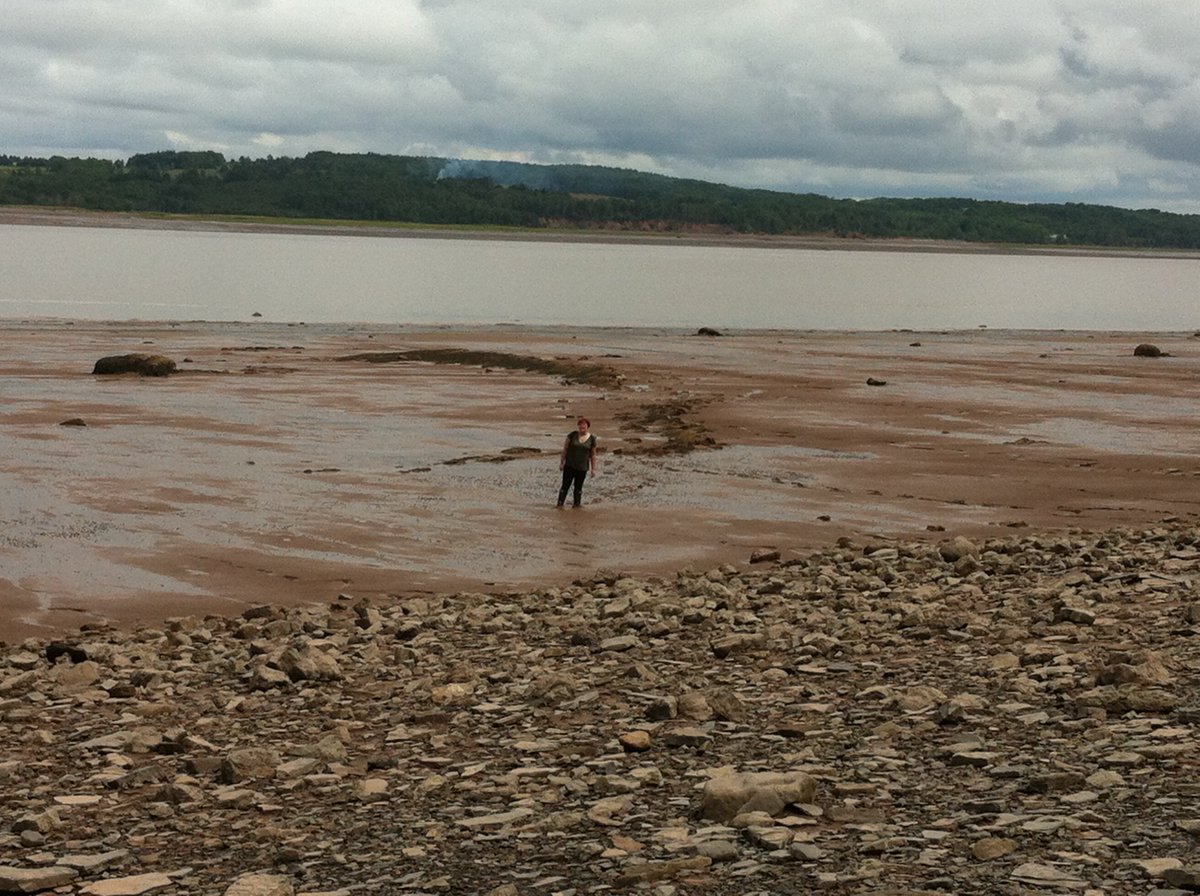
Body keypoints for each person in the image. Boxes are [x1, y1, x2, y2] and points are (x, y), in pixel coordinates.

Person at [557, 417, 598, 507]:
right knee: (565, 486)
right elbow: (565, 449)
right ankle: (559, 505)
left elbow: (593, 455)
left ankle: (576, 505)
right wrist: (562, 462)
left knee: (578, 488)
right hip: (569, 465)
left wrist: (593, 469)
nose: (582, 426)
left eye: (584, 424)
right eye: (580, 424)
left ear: (588, 426)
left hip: (582, 467)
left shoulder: (592, 439)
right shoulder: (572, 435)